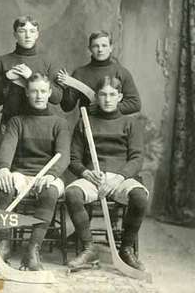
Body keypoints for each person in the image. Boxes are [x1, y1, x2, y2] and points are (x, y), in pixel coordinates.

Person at [66, 76, 148, 271]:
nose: (108, 99)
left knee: (140, 197)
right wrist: (86, 173)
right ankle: (88, 248)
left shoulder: (131, 123)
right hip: (93, 177)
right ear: (96, 97)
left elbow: (137, 158)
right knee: (72, 193)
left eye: (112, 94)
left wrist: (119, 177)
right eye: (103, 94)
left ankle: (126, 249)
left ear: (120, 97)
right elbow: (73, 158)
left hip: (122, 178)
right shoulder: (85, 121)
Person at [0, 73, 70, 271]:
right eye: (34, 91)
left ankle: (32, 250)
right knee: (5, 186)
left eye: (43, 91)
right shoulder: (16, 121)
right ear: (27, 93)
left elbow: (64, 155)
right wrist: (3, 169)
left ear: (49, 93)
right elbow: (7, 149)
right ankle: (4, 244)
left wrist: (51, 175)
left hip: (49, 174)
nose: (38, 95)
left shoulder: (59, 123)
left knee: (50, 191)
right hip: (21, 173)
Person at [0, 15, 63, 136]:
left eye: (32, 31)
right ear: (15, 34)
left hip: (40, 124)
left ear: (37, 34)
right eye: (22, 31)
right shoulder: (3, 61)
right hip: (9, 124)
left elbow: (57, 98)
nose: (27, 35)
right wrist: (6, 79)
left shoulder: (47, 61)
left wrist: (31, 77)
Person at [58, 30, 141, 115]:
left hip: (115, 125)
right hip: (87, 125)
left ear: (111, 48)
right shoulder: (79, 73)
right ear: (89, 48)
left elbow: (135, 104)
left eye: (104, 45)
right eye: (95, 46)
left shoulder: (121, 72)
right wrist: (66, 88)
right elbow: (67, 107)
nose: (100, 49)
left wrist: (103, 108)